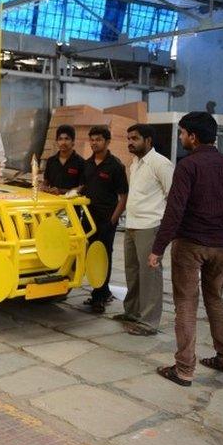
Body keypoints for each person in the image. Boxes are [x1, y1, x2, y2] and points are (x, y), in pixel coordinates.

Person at [149, 112, 223, 386]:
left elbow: (174, 212)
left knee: (186, 305)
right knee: (216, 301)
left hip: (191, 246)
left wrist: (158, 248)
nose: (180, 138)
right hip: (222, 247)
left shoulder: (189, 166)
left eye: (182, 133)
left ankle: (184, 369)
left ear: (193, 136)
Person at [116, 124, 173, 336]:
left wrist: (164, 228)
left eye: (135, 138)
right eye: (128, 138)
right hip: (131, 225)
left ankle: (149, 322)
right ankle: (132, 312)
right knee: (132, 272)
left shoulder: (161, 164)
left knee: (150, 274)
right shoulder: (135, 163)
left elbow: (173, 196)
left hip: (150, 227)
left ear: (148, 140)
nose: (130, 142)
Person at [83, 125, 128, 313]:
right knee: (90, 255)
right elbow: (84, 187)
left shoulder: (116, 166)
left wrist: (112, 221)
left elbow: (123, 196)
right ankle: (100, 291)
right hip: (88, 219)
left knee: (103, 256)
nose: (94, 143)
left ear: (107, 142)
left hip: (105, 220)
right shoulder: (87, 164)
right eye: (92, 139)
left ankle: (100, 297)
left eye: (98, 139)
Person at [42, 124, 85, 194]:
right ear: (57, 142)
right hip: (52, 202)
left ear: (73, 142)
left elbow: (80, 188)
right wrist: (43, 187)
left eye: (67, 139)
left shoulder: (81, 163)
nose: (63, 142)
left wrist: (60, 191)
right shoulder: (51, 161)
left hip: (71, 203)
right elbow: (46, 182)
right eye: (60, 139)